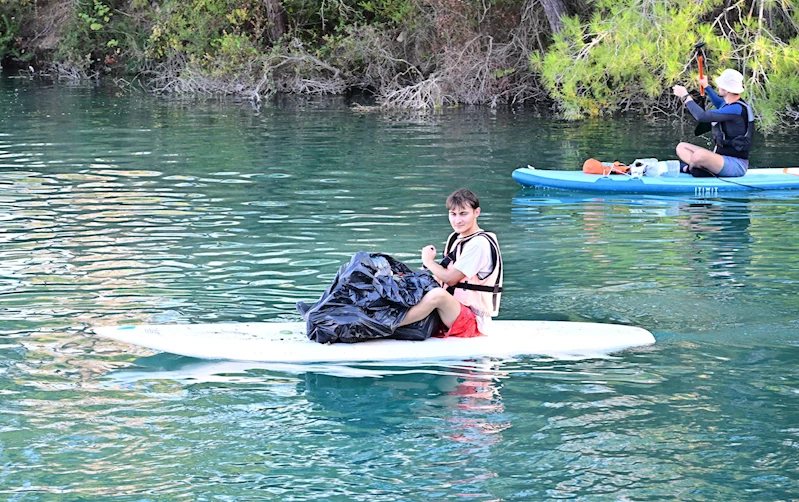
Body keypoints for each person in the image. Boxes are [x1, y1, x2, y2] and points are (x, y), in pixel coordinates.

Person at [397, 189, 503, 337]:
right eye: (453, 214)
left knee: (438, 295)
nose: (457, 220)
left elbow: (451, 279)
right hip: (451, 312)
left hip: (473, 322)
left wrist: (428, 261)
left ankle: (388, 324)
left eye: (463, 214)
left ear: (476, 212)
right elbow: (441, 276)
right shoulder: (456, 238)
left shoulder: (479, 244)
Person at [671, 68, 754, 177]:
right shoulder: (729, 104)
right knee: (681, 147)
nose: (718, 87)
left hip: (736, 165)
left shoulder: (736, 109)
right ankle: (698, 169)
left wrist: (686, 96)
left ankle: (689, 169)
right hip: (719, 159)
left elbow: (701, 116)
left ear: (727, 90)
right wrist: (706, 86)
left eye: (720, 85)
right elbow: (719, 102)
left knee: (699, 155)